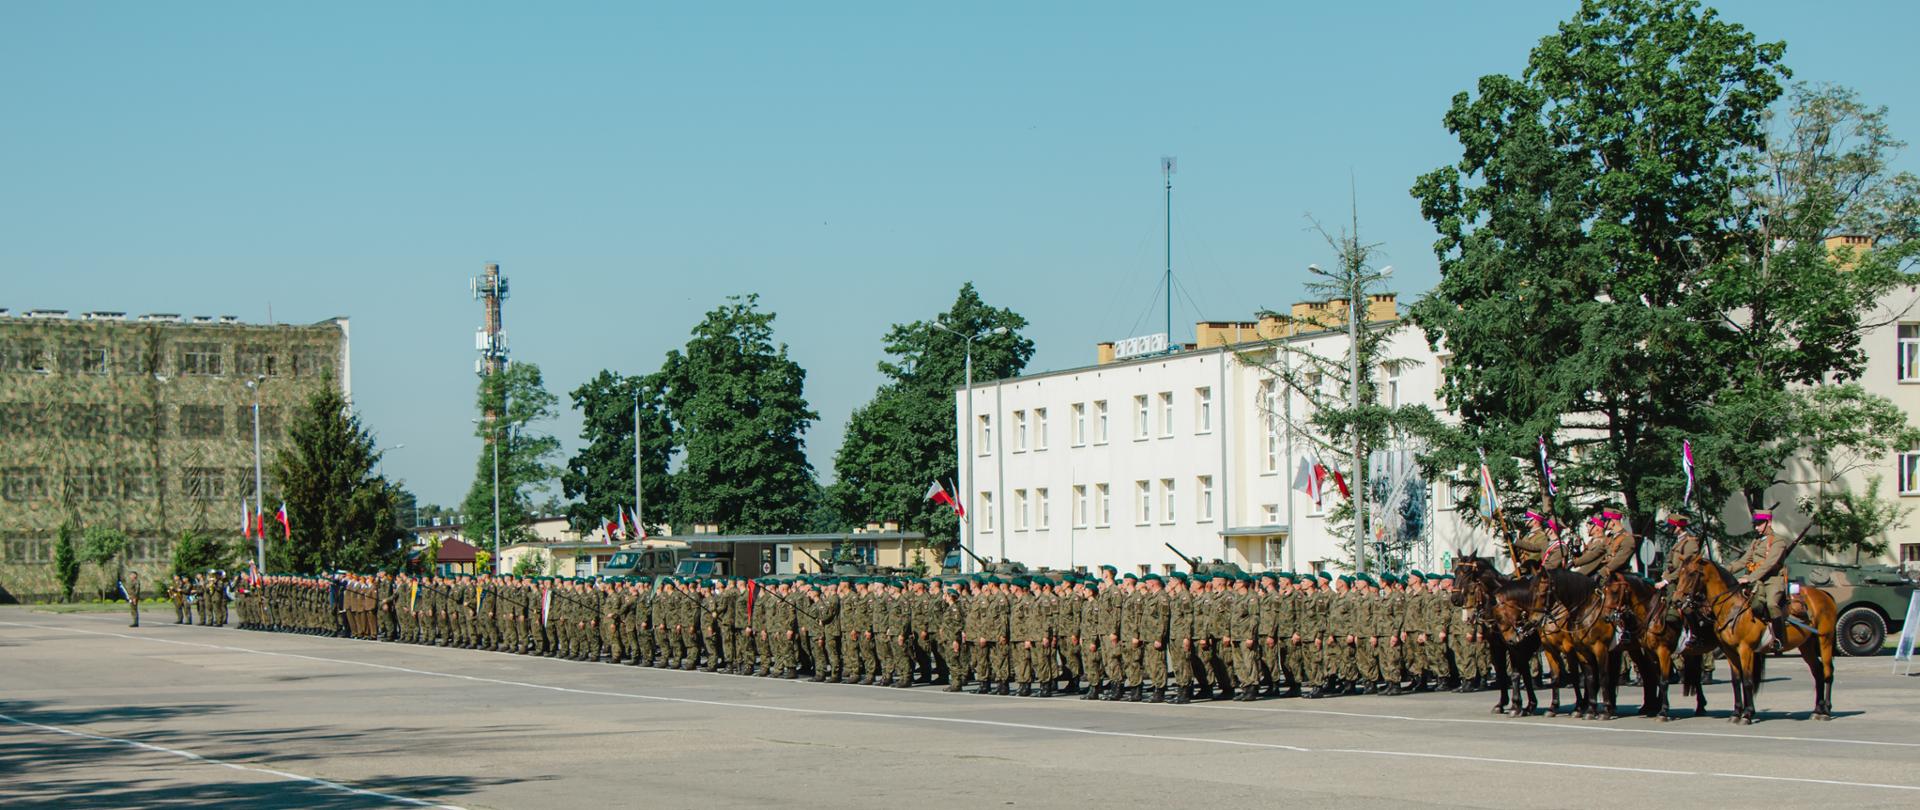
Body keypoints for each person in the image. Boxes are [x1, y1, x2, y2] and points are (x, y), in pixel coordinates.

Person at [1735, 510, 1795, 650]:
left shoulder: (1778, 541)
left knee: (1771, 604)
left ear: (1769, 522)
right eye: (1755, 524)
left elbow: (1770, 564)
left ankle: (1779, 639)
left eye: (1759, 524)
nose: (1756, 527)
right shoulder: (1756, 542)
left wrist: (1749, 578)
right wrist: (1724, 570)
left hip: (1772, 580)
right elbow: (1744, 560)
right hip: (1756, 580)